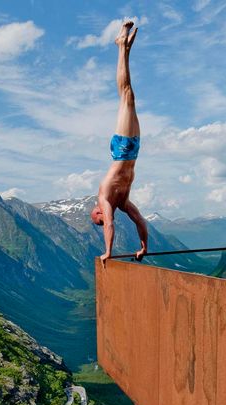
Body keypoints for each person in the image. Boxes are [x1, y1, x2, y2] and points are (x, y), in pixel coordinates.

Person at [92, 20, 149, 265]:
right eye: (102, 219)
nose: (104, 218)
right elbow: (140, 221)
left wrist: (108, 252)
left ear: (96, 211)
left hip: (121, 150)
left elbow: (111, 225)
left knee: (126, 95)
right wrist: (144, 247)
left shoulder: (104, 197)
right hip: (133, 149)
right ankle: (123, 49)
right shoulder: (123, 202)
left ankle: (121, 47)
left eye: (99, 218)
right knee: (128, 96)